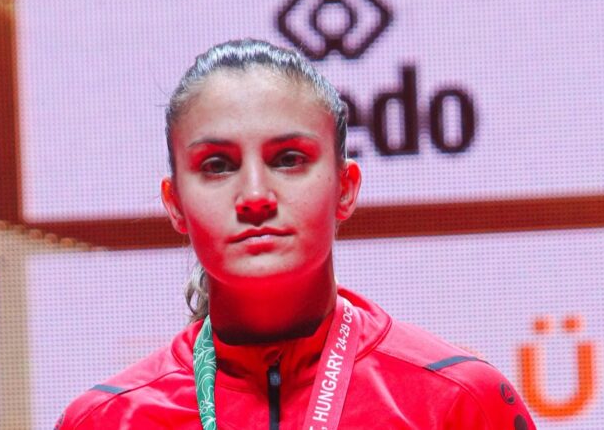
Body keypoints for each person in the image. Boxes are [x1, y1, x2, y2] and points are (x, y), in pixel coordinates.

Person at [56, 39, 535, 429]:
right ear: (175, 203)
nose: (255, 196)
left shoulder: (459, 401)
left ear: (345, 188)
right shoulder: (104, 421)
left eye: (288, 159)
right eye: (217, 165)